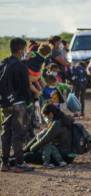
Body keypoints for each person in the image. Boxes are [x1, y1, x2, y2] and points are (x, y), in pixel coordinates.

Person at [1, 37, 34, 173]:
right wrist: (30, 100)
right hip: (19, 104)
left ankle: (5, 163)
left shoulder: (3, 63)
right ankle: (19, 163)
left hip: (5, 103)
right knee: (19, 134)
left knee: (6, 133)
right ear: (21, 50)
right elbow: (26, 87)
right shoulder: (21, 66)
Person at [24, 104, 73, 168]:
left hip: (61, 156)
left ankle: (13, 160)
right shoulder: (63, 119)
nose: (45, 119)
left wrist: (31, 148)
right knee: (37, 139)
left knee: (28, 156)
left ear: (50, 114)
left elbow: (45, 139)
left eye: (45, 116)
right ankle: (21, 152)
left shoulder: (57, 124)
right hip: (67, 155)